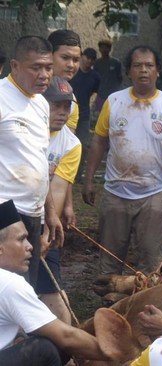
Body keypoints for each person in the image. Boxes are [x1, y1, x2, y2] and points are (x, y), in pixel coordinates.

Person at [83, 45, 162, 275]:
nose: (143, 70)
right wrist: (88, 180)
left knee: (150, 260)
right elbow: (98, 142)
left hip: (153, 195)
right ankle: (109, 306)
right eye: (137, 66)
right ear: (129, 71)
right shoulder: (114, 102)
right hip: (115, 192)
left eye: (149, 65)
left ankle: (143, 307)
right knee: (109, 258)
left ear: (158, 71)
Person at [0, 200, 130, 365]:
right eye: (21, 240)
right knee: (43, 349)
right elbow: (66, 336)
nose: (30, 246)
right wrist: (121, 355)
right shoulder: (10, 283)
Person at [0, 35, 63, 286]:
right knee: (9, 288)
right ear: (15, 66)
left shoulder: (42, 105)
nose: (44, 75)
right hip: (5, 210)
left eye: (48, 67)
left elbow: (38, 160)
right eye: (35, 67)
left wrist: (50, 212)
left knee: (28, 286)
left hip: (33, 212)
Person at [36, 76, 82, 325]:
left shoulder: (71, 144)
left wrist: (45, 235)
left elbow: (58, 190)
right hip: (10, 215)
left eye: (67, 107)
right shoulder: (24, 130)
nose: (62, 113)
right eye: (56, 106)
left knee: (54, 294)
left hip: (42, 219)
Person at [69, 47, 101, 177]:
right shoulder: (73, 73)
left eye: (92, 59)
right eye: (88, 58)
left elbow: (94, 91)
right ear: (82, 57)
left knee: (83, 145)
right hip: (67, 113)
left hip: (84, 114)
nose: (89, 61)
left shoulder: (95, 77)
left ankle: (78, 174)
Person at [47, 29, 81, 134]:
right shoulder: (29, 91)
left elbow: (68, 142)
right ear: (48, 56)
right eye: (65, 58)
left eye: (76, 60)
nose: (71, 65)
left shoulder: (72, 101)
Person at [94, 39, 122, 113]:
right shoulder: (97, 63)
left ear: (109, 49)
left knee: (114, 114)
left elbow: (120, 78)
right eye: (102, 47)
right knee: (100, 115)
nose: (103, 50)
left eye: (106, 48)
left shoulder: (116, 63)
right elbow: (95, 78)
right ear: (99, 49)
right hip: (101, 95)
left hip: (114, 95)